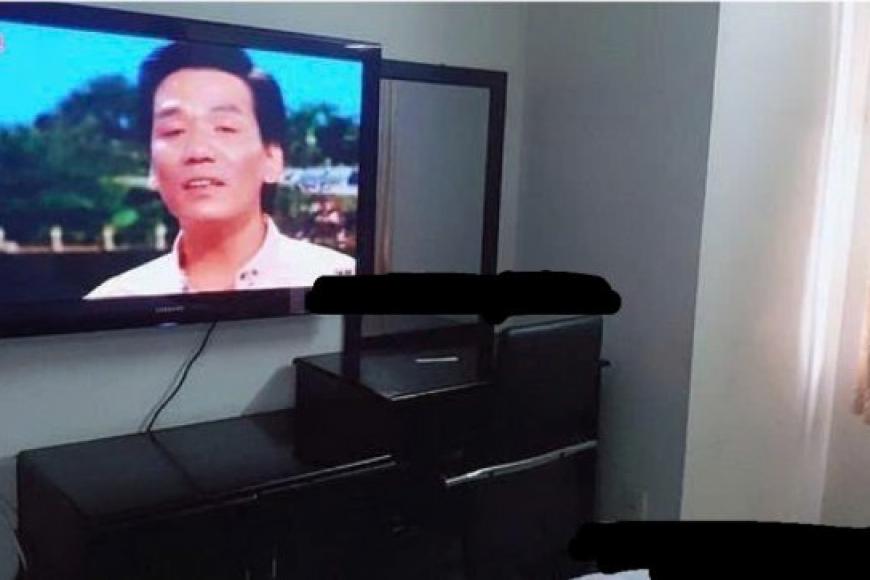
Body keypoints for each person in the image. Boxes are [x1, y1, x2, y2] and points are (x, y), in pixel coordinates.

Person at [86, 42, 354, 299]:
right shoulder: (113, 300)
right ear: (152, 168)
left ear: (272, 159)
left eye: (225, 128)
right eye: (174, 131)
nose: (198, 151)